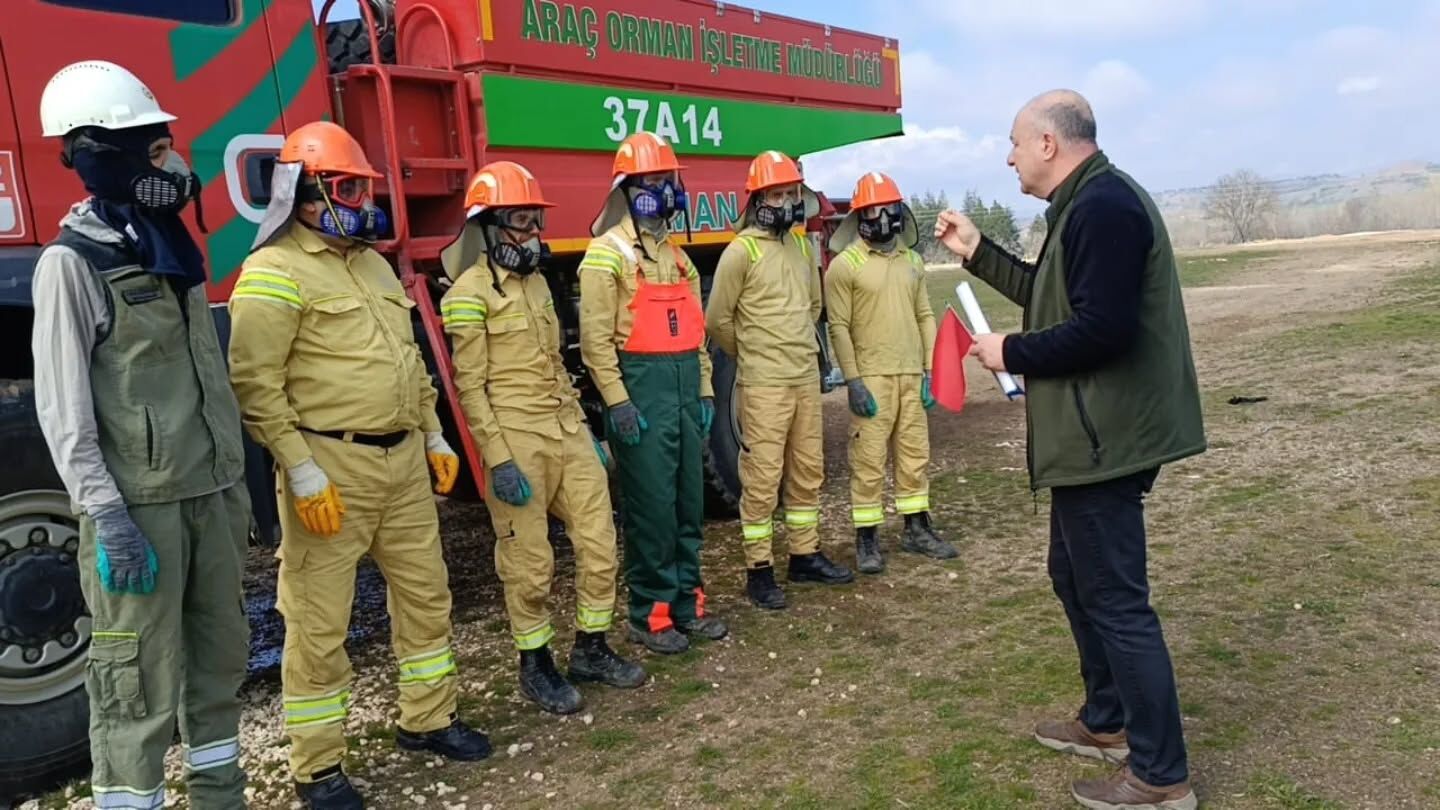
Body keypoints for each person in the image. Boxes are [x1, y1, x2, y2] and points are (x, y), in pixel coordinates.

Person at [934, 89, 1205, 810]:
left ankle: (1159, 774)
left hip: (1103, 439)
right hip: (1091, 436)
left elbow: (1103, 329)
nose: (1009, 156)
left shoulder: (1105, 208)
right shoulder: (1083, 206)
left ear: (1049, 144)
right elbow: (1053, 297)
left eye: (1015, 143)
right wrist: (978, 255)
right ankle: (1109, 721)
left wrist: (1009, 350)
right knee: (1074, 575)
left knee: (1116, 599)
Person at [227, 121, 489, 809]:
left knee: (427, 596)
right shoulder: (274, 271)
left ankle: (428, 720)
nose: (360, 201)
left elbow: (413, 367)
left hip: (402, 463)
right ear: (304, 192)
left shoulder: (372, 264)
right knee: (318, 623)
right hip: (331, 468)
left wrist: (434, 436)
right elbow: (256, 384)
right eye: (345, 188)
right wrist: (300, 468)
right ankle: (318, 769)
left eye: (362, 188)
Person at [30, 60, 252, 810]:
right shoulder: (71, 264)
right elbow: (65, 412)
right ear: (105, 154)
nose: (175, 167)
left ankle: (223, 797)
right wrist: (109, 517)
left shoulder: (166, 247)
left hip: (207, 497)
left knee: (219, 665)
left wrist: (233, 489)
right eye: (156, 152)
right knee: (135, 685)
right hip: (140, 513)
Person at [439, 161, 646, 715]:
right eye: (519, 221)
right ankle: (535, 664)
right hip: (515, 438)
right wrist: (497, 459)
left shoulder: (539, 286)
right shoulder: (468, 293)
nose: (532, 232)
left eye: (535, 220)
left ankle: (592, 649)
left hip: (565, 428)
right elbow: (469, 388)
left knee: (600, 540)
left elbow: (557, 364)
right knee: (529, 563)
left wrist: (588, 431)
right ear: (485, 227)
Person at [578, 132, 727, 654]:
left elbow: (696, 331)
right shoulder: (606, 254)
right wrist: (617, 402)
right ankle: (650, 613)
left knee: (689, 504)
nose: (666, 190)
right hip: (643, 398)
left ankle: (689, 603)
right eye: (656, 181)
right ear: (630, 187)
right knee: (652, 510)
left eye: (670, 180)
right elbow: (596, 342)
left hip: (685, 391)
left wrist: (706, 390)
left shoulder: (678, 258)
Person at [704, 150, 853, 610]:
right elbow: (718, 322)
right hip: (764, 383)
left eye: (792, 193)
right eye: (778, 194)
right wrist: (752, 353)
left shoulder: (801, 247)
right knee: (763, 478)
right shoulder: (739, 252)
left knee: (808, 471)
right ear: (758, 199)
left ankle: (804, 555)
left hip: (803, 378)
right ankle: (759, 570)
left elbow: (812, 307)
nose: (787, 201)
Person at [824, 172, 957, 575]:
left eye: (891, 209)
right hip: (872, 378)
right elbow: (839, 327)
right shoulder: (845, 267)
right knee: (867, 459)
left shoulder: (912, 261)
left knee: (915, 456)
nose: (885, 217)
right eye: (876, 210)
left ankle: (917, 528)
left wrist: (931, 371)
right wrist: (854, 381)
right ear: (861, 215)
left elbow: (924, 315)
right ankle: (867, 539)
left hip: (910, 375)